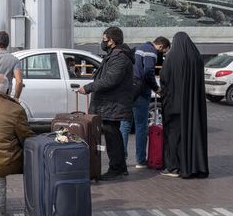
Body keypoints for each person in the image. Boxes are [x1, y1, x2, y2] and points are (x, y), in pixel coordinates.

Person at [77, 27, 134, 180]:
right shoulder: (114, 55)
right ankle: (117, 167)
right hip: (109, 103)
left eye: (104, 39)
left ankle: (117, 168)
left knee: (112, 136)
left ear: (112, 41)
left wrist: (88, 88)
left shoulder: (120, 57)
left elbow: (110, 80)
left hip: (112, 104)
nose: (102, 42)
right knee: (111, 135)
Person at [160, 32, 208, 178]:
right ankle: (194, 166)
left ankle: (173, 167)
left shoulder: (171, 58)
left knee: (173, 136)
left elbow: (164, 78)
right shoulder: (196, 57)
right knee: (192, 134)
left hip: (173, 105)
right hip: (193, 106)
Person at [120, 37, 170, 168]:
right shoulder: (151, 51)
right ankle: (140, 160)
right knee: (141, 126)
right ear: (160, 46)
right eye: (163, 51)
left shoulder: (137, 48)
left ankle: (121, 158)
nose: (162, 53)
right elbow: (148, 72)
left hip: (127, 90)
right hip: (141, 92)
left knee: (124, 124)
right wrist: (156, 88)